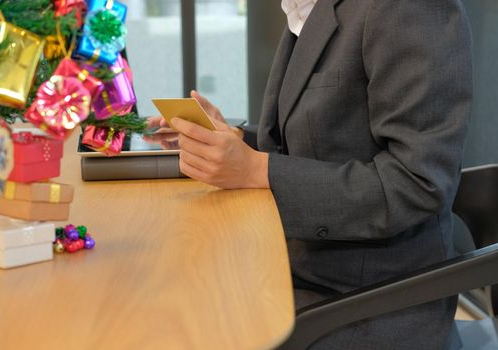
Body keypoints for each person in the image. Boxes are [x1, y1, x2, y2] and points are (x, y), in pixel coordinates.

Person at [146, 0, 473, 348]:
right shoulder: (308, 11)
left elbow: (416, 183)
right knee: (172, 298)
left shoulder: (407, 8)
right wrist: (238, 143)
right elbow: (316, 144)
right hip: (299, 267)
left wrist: (257, 169)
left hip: (370, 298)